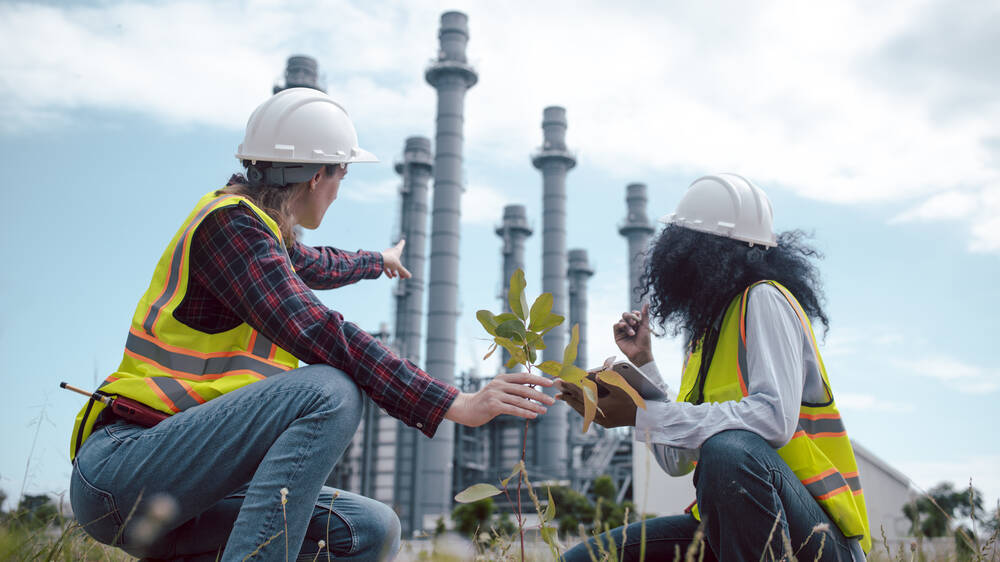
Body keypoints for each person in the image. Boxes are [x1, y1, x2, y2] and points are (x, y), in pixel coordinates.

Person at [68, 87, 555, 561]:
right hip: (125, 469)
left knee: (371, 529)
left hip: (190, 491)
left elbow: (318, 263)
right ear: (319, 174)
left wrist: (377, 260)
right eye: (343, 174)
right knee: (331, 390)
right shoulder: (231, 228)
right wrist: (455, 402)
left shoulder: (259, 235)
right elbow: (319, 330)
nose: (340, 189)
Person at [559, 174, 871, 561]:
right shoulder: (704, 337)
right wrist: (642, 371)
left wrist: (649, 415)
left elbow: (774, 419)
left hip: (818, 538)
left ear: (710, 252)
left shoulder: (765, 300)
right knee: (583, 559)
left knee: (728, 450)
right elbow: (675, 460)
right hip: (731, 528)